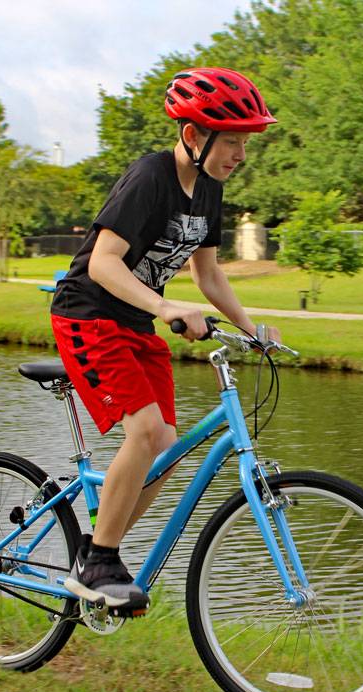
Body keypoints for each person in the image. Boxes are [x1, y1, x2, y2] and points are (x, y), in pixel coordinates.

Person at [50, 67, 280, 613]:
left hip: (133, 324)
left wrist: (253, 329)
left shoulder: (210, 191)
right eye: (232, 142)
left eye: (246, 143)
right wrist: (164, 305)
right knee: (147, 429)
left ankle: (92, 553)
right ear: (194, 136)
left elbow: (208, 275)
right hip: (88, 315)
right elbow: (104, 263)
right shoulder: (150, 178)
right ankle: (102, 559)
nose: (241, 154)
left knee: (167, 450)